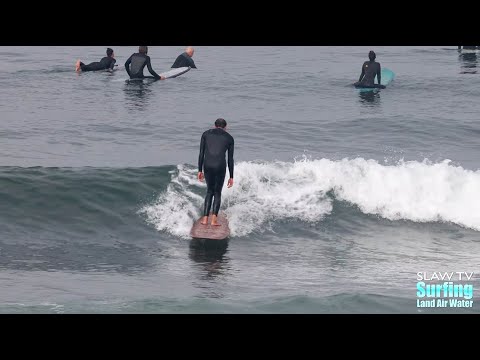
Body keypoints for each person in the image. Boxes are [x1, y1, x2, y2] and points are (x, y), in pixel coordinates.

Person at [197, 118, 234, 226]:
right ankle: (213, 221)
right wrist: (231, 176)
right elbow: (230, 159)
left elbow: (201, 153)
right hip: (220, 166)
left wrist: (199, 170)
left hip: (207, 165)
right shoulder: (229, 138)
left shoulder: (205, 134)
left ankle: (204, 220)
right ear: (225, 127)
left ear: (214, 125)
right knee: (217, 192)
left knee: (209, 191)